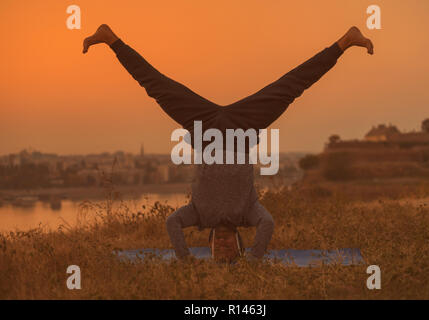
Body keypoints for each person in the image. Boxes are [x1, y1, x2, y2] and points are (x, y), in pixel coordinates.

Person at [83, 24, 374, 262]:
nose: (222, 245)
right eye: (229, 248)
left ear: (209, 244)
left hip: (204, 128)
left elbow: (171, 223)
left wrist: (185, 260)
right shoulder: (248, 214)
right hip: (243, 127)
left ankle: (111, 39)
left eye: (217, 249)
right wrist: (254, 259)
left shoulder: (197, 215)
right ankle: (345, 41)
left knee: (156, 86)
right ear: (238, 242)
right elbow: (268, 224)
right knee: (290, 86)